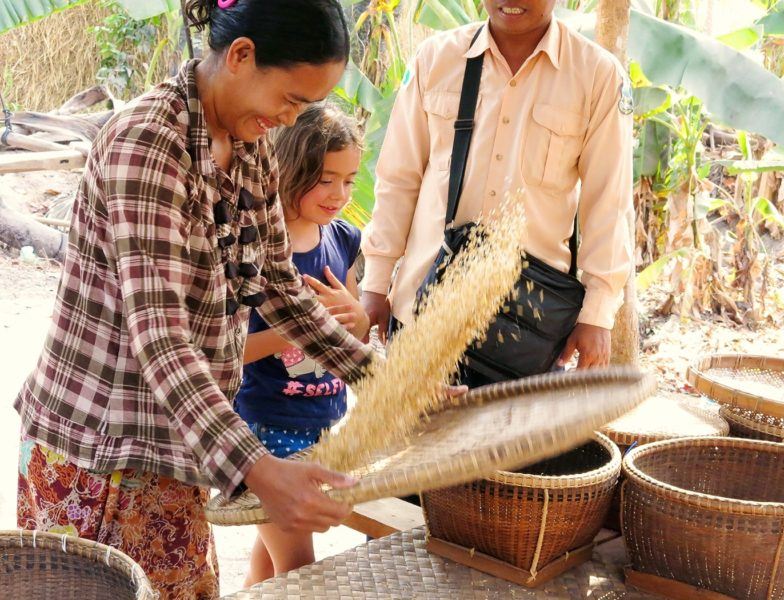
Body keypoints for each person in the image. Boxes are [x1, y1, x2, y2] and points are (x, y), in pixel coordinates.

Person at [15, 2, 378, 598]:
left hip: (176, 448)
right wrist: (261, 471)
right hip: (101, 456)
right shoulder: (148, 146)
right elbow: (161, 338)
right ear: (241, 56)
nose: (289, 120)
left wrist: (387, 377)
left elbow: (281, 288)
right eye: (290, 99)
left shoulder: (248, 141)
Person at [360, 0, 634, 382]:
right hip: (423, 310)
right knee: (415, 439)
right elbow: (398, 180)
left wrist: (597, 315)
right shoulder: (435, 59)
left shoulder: (598, 76)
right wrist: (375, 282)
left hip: (526, 326)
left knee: (510, 444)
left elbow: (609, 203)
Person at [234, 104, 369, 584]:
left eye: (349, 180)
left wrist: (358, 315)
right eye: (325, 179)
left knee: (270, 564)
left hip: (324, 421)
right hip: (267, 428)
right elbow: (233, 350)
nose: (340, 195)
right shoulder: (256, 250)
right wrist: (299, 327)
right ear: (288, 169)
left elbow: (355, 332)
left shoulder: (343, 239)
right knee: (300, 569)